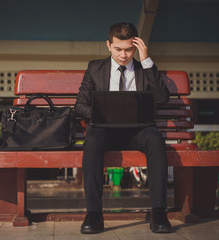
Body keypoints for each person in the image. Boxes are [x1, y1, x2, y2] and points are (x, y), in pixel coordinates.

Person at [74, 22, 172, 234]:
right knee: (91, 140)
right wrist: (103, 111)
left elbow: (163, 98)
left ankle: (158, 212)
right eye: (118, 49)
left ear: (135, 47)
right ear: (108, 45)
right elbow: (79, 106)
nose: (123, 55)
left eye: (129, 49)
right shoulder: (95, 68)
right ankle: (93, 214)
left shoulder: (144, 69)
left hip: (138, 131)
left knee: (156, 139)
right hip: (104, 130)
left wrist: (146, 60)